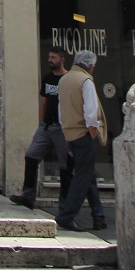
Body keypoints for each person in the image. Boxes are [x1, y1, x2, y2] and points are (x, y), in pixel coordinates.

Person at [10, 47, 72, 211]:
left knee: (65, 166)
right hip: (46, 126)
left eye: (53, 57)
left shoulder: (68, 80)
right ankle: (28, 196)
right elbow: (43, 102)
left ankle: (65, 204)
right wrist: (41, 124)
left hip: (62, 128)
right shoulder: (47, 79)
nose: (50, 60)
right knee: (31, 156)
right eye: (49, 57)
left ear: (62, 59)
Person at [56, 49, 106, 232]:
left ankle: (98, 216)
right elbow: (91, 110)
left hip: (70, 133)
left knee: (88, 175)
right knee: (83, 177)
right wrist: (93, 132)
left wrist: (65, 130)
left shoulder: (64, 79)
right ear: (91, 66)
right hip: (84, 133)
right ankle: (67, 216)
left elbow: (61, 109)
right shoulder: (85, 80)